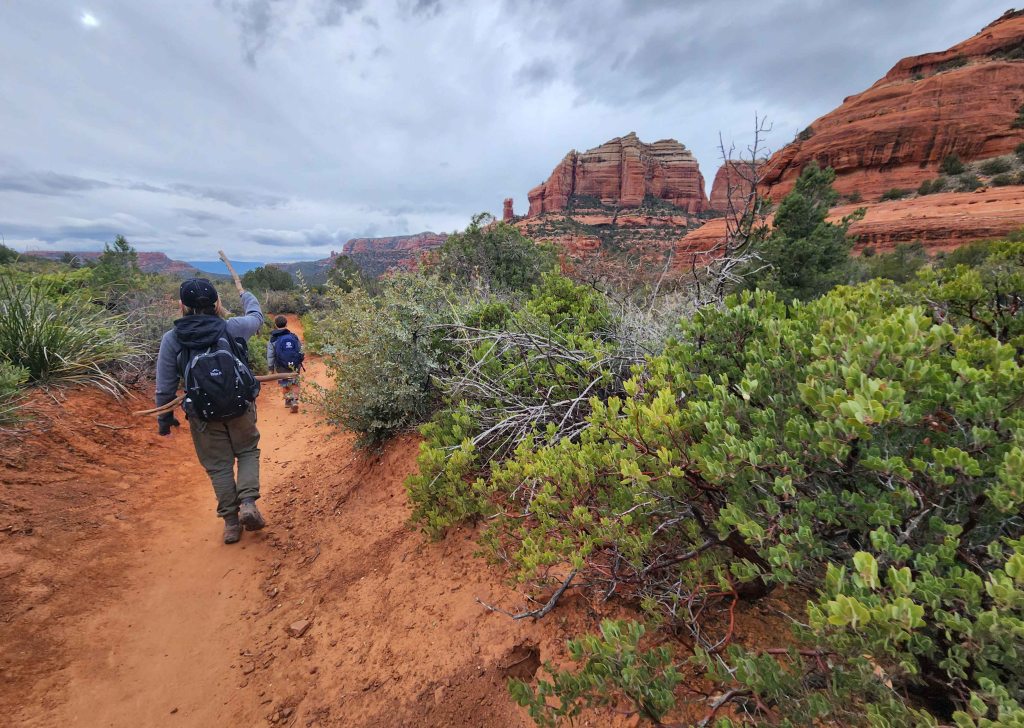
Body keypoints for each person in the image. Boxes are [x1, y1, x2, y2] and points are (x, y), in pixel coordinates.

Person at [154, 278, 266, 544]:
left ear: (182, 306)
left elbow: (165, 386)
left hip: (202, 414)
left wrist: (164, 419)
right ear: (217, 303)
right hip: (240, 407)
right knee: (247, 451)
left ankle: (231, 523)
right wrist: (247, 295)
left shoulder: (173, 339)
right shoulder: (232, 327)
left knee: (218, 465)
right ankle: (248, 502)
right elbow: (257, 317)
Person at [267, 315, 304, 413]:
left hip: (281, 366)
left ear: (275, 325)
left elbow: (270, 355)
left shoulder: (273, 339)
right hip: (295, 365)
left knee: (285, 383)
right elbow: (301, 349)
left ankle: (288, 401)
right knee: (295, 383)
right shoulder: (293, 336)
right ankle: (294, 401)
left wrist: (270, 368)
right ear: (286, 324)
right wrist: (300, 360)